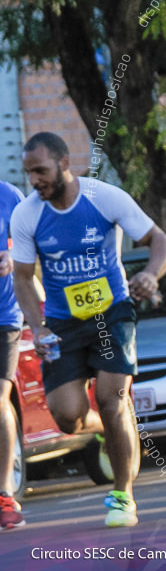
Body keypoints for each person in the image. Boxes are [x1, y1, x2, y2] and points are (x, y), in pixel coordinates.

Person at [11, 132, 166, 527]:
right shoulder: (28, 214)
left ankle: (122, 497)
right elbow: (21, 277)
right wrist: (39, 326)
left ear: (65, 163)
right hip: (64, 323)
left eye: (41, 170)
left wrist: (151, 275)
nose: (34, 180)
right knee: (69, 417)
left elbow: (159, 240)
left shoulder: (105, 197)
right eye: (29, 173)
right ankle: (110, 430)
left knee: (112, 397)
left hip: (112, 313)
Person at [0, 179, 25, 530]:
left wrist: (11, 255)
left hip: (3, 318)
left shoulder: (9, 196)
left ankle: (4, 494)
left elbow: (28, 243)